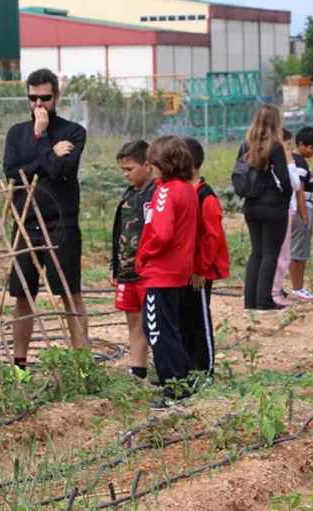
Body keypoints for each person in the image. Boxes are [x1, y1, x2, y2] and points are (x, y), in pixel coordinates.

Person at [3, 68, 90, 372]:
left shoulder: (73, 132)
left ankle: (81, 363)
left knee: (69, 293)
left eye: (45, 97)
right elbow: (12, 173)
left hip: (62, 223)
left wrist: (41, 140)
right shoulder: (16, 133)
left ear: (57, 96)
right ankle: (19, 363)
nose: (39, 104)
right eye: (33, 98)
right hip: (26, 222)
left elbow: (60, 171)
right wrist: (47, 151)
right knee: (23, 295)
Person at [136, 135, 198, 410]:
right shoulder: (188, 188)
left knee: (157, 330)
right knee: (170, 328)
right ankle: (182, 380)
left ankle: (173, 389)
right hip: (179, 269)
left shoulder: (165, 191)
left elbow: (161, 233)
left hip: (161, 271)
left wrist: (145, 253)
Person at [181, 137, 230, 378]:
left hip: (198, 274)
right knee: (184, 321)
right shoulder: (177, 192)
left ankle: (205, 370)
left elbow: (212, 237)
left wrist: (200, 269)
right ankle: (186, 367)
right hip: (181, 272)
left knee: (199, 321)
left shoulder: (205, 196)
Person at [239, 105, 293, 311]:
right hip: (272, 206)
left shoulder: (246, 145)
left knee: (257, 253)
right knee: (271, 254)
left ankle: (250, 302)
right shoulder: (275, 147)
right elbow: (284, 180)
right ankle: (264, 301)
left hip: (251, 205)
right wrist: (285, 198)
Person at [110, 140, 156, 381]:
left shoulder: (157, 194)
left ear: (148, 165)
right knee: (134, 321)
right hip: (127, 272)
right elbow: (118, 232)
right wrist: (114, 265)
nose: (126, 174)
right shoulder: (128, 195)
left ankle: (164, 367)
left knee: (155, 322)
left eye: (130, 169)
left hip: (150, 273)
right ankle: (138, 370)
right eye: (123, 170)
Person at [288, 127, 313, 301]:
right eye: (311, 148)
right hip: (303, 207)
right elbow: (298, 190)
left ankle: (298, 286)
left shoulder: (298, 161)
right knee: (298, 249)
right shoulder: (299, 163)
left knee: (300, 248)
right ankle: (297, 287)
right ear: (301, 145)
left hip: (304, 206)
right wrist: (304, 214)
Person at [270, 129, 302, 307]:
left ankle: (271, 291)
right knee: (282, 255)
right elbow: (295, 184)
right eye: (287, 145)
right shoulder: (281, 161)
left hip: (278, 209)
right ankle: (275, 294)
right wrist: (290, 161)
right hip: (283, 210)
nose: (289, 149)